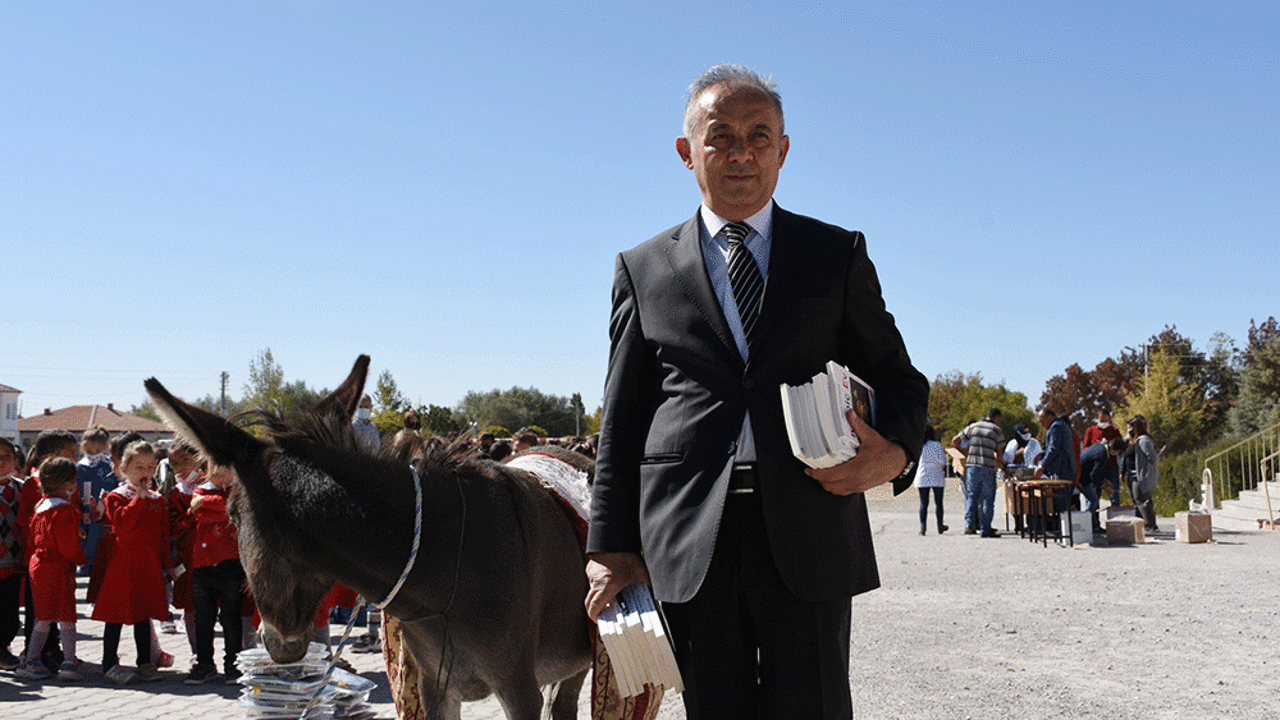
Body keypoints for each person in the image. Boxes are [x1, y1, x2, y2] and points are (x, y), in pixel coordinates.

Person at [584, 64, 929, 720]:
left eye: (758, 135)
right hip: (688, 538)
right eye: (720, 137)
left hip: (808, 526)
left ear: (783, 150)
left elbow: (900, 379)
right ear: (687, 153)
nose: (741, 153)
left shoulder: (835, 255)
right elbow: (621, 421)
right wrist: (608, 547)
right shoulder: (643, 269)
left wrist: (894, 455)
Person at [92, 440, 173, 684]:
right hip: (123, 562)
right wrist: (138, 500)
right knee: (115, 614)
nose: (145, 473)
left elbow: (162, 534)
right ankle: (108, 663)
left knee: (143, 612)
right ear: (124, 468)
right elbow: (122, 527)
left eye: (150, 467)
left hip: (147, 564)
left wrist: (168, 564)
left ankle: (145, 662)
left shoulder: (157, 499)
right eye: (138, 467)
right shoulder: (116, 496)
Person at [17, 457, 88, 681]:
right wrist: (81, 557)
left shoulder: (40, 507)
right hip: (58, 567)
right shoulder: (65, 510)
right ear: (68, 483)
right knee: (66, 616)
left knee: (43, 616)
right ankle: (69, 661)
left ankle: (31, 658)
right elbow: (68, 547)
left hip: (38, 565)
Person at [185, 464, 244, 684]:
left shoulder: (238, 490)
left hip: (231, 564)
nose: (220, 477)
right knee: (203, 618)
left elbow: (236, 508)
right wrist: (218, 508)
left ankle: (234, 664)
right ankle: (205, 664)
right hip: (203, 565)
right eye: (215, 472)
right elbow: (200, 517)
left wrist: (207, 505)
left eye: (225, 472)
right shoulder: (201, 489)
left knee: (231, 618)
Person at [952, 409, 1006, 538]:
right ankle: (985, 528)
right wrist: (1000, 462)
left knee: (972, 496)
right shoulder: (996, 430)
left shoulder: (973, 427)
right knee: (988, 498)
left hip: (972, 467)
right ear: (996, 417)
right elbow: (1000, 452)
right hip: (987, 467)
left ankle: (969, 526)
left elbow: (955, 440)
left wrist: (964, 452)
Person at [75, 426, 115, 576]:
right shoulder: (79, 466)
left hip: (101, 509)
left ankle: (92, 562)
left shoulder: (107, 466)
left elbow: (111, 486)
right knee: (83, 533)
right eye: (89, 451)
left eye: (96, 452)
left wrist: (101, 505)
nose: (93, 455)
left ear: (104, 448)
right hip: (83, 507)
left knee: (97, 533)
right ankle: (84, 561)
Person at [0, 438, 24, 671]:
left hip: (14, 562)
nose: (1, 462)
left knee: (10, 615)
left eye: (6, 457)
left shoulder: (22, 489)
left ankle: (3, 647)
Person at [1079, 437, 1127, 533]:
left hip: (1081, 474)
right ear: (1116, 450)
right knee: (1093, 499)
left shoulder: (1101, 446)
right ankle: (1086, 525)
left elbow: (1097, 470)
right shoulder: (1102, 454)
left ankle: (1091, 525)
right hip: (1081, 478)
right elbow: (1093, 475)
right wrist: (1104, 487)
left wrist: (1105, 480)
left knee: (1093, 499)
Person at [1123, 415, 1161, 531]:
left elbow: (1152, 457)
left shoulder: (1143, 440)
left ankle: (1151, 525)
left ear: (1136, 428)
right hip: (1136, 475)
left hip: (1140, 476)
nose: (1128, 431)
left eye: (1130, 428)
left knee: (1141, 499)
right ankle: (1151, 524)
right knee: (1142, 499)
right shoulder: (1138, 439)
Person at [1083, 409, 1124, 507]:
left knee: (1114, 495)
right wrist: (1097, 449)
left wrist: (1111, 448)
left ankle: (1116, 518)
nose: (1103, 423)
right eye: (1101, 421)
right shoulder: (1091, 430)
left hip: (1111, 467)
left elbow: (1121, 447)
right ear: (1097, 419)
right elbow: (1085, 448)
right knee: (1094, 497)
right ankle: (1094, 520)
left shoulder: (1114, 430)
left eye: (1105, 421)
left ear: (1109, 420)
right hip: (1096, 467)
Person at [913, 425, 948, 535]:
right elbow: (943, 460)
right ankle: (940, 525)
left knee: (924, 503)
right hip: (936, 475)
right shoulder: (937, 445)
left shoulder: (919, 445)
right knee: (939, 503)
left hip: (923, 475)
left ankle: (923, 528)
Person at [1034, 407, 1078, 482]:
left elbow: (1053, 448)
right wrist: (1042, 455)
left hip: (1063, 470)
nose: (1041, 424)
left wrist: (1042, 466)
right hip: (1063, 469)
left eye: (1042, 421)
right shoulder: (1057, 425)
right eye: (1039, 422)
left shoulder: (1056, 427)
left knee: (1059, 493)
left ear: (1050, 417)